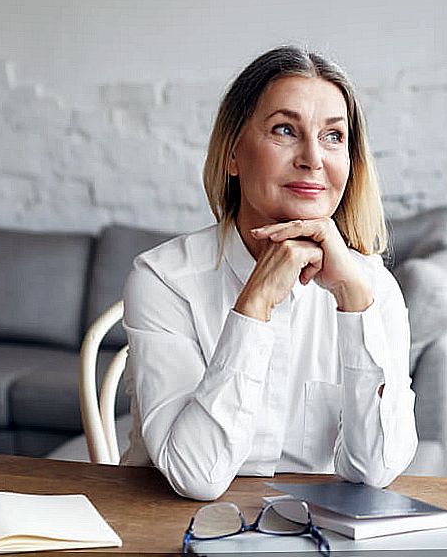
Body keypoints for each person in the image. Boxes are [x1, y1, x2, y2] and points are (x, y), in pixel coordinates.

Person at [120, 46, 418, 501]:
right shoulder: (163, 280)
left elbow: (375, 470)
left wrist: (355, 305)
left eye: (334, 136)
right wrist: (254, 307)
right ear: (233, 154)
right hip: (170, 530)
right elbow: (195, 476)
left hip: (317, 535)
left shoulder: (373, 289)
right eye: (285, 130)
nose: (313, 159)